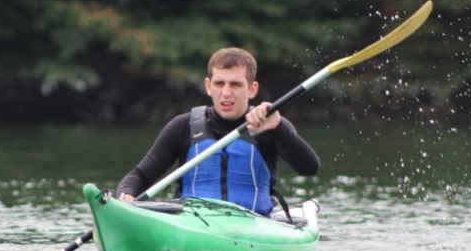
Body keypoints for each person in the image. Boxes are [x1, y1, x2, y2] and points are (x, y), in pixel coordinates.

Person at [116, 47, 319, 215]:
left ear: (252, 89)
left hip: (254, 227)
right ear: (208, 86)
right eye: (219, 83)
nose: (226, 93)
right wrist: (125, 197)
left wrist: (279, 128)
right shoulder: (182, 127)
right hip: (193, 224)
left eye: (236, 84)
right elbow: (141, 175)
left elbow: (310, 168)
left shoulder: (271, 125)